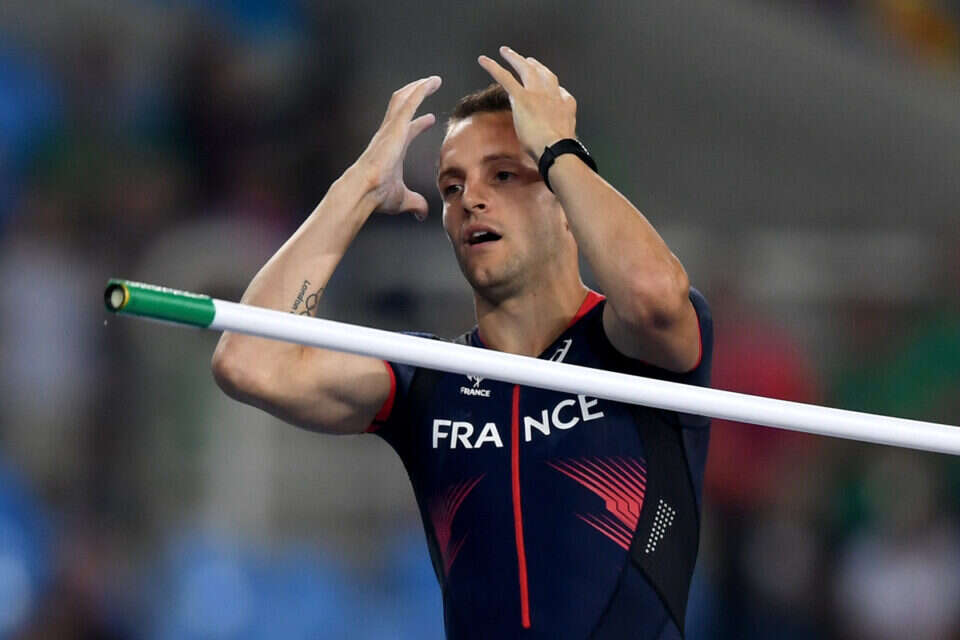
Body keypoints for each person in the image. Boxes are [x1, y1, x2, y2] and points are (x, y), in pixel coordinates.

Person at [212, 46, 713, 639]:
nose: (470, 198)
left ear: (565, 199)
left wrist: (559, 148)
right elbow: (249, 361)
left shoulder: (631, 346)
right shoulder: (428, 379)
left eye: (503, 174)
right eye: (452, 186)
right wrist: (360, 187)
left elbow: (654, 295)